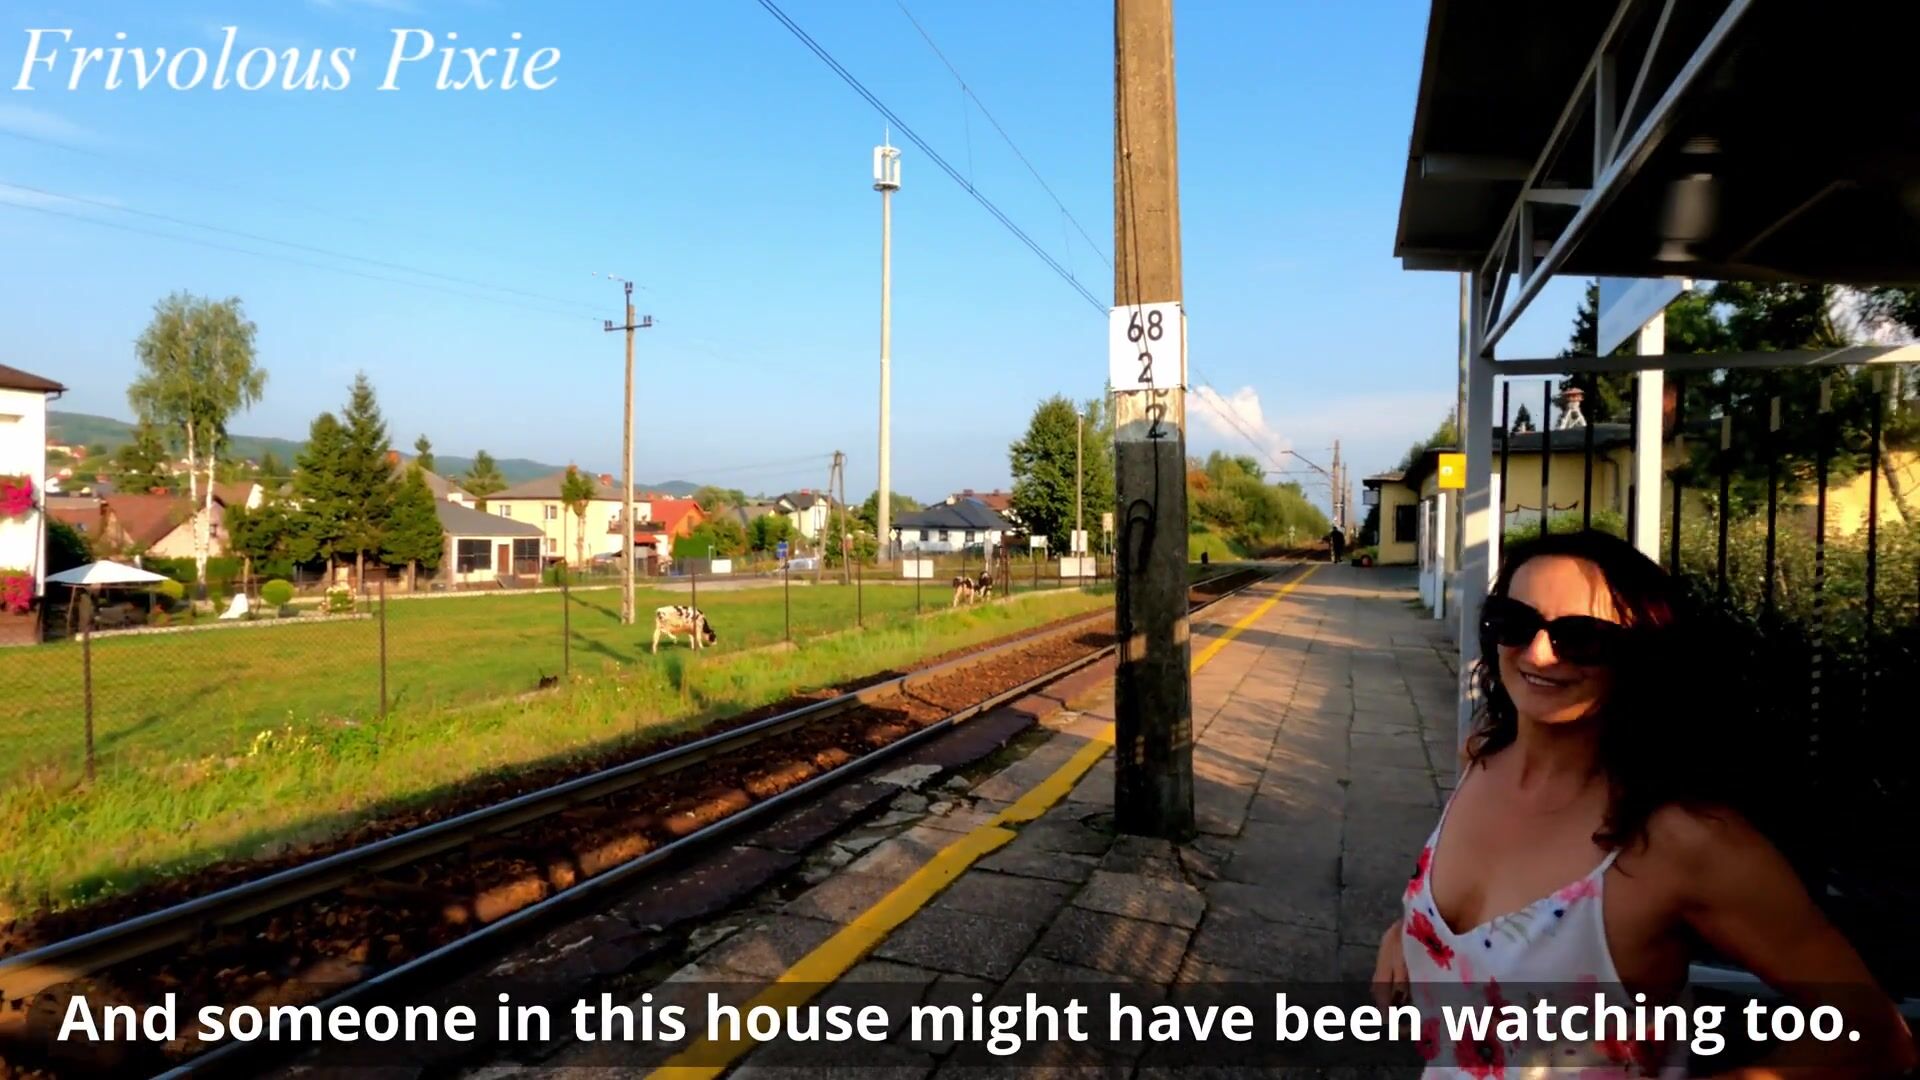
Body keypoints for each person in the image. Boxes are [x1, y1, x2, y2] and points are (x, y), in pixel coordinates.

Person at [1373, 530, 1914, 1078]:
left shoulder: (1684, 839)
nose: (1537, 653)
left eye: (1581, 638)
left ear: (1640, 656)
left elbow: (1875, 1036)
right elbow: (1479, 922)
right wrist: (1412, 933)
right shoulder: (1481, 761)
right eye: (1513, 621)